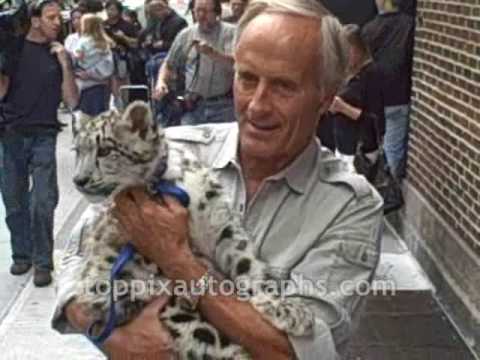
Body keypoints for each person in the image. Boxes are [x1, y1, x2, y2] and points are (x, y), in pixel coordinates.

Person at [51, 0, 383, 358]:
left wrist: (178, 260)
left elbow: (296, 351)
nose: (257, 105)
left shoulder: (351, 206)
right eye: (247, 78)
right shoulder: (171, 153)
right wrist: (111, 335)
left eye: (284, 86)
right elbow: (75, 255)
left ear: (326, 98)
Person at [0, 0, 79, 287]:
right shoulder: (13, 48)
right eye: (51, 17)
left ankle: (43, 261)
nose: (58, 22)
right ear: (35, 21)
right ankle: (22, 254)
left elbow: (72, 100)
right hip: (11, 134)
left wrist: (65, 64)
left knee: (43, 200)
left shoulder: (58, 54)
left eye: (59, 17)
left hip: (44, 135)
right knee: (14, 199)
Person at [153, 0, 236, 126]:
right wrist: (161, 82)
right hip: (193, 106)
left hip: (224, 107)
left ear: (217, 12)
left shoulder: (231, 33)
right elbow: (169, 64)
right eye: (198, 11)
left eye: (206, 11)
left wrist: (213, 54)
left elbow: (237, 65)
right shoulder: (186, 35)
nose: (201, 16)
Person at [318, 24, 385, 173]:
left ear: (359, 48)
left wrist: (343, 108)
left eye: (349, 50)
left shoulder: (371, 74)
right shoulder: (345, 72)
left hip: (360, 149)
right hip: (342, 145)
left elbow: (374, 118)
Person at [361, 0, 414, 178]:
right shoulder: (409, 25)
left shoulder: (368, 29)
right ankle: (390, 187)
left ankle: (381, 187)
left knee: (373, 145)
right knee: (393, 146)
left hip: (373, 97)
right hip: (398, 95)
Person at [71, 13, 113, 116]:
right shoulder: (105, 43)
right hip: (101, 84)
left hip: (85, 85)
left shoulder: (82, 41)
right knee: (100, 116)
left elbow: (77, 56)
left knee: (86, 117)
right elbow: (108, 65)